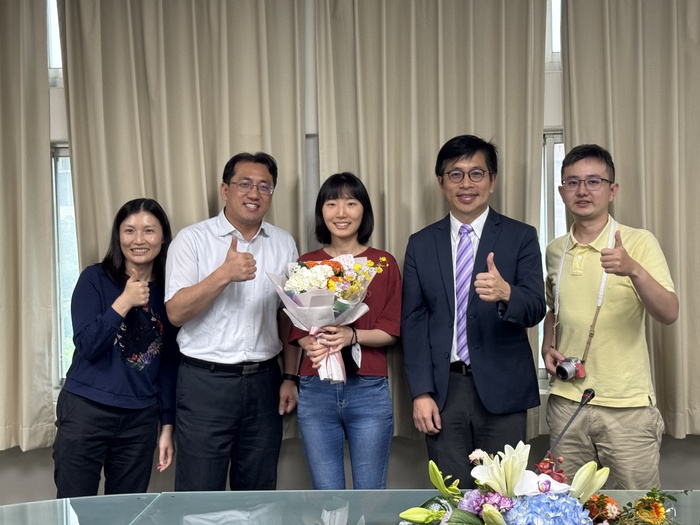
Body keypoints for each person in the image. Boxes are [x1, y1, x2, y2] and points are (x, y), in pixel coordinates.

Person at [401, 134, 545, 486]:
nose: (466, 184)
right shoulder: (421, 243)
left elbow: (536, 308)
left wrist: (507, 293)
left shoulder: (520, 236)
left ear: (492, 181)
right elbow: (414, 322)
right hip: (443, 391)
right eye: (455, 174)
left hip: (504, 390)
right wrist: (421, 393)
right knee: (454, 500)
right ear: (441, 182)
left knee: (502, 496)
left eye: (477, 174)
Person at [542, 144, 678, 489]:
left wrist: (633, 269)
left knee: (638, 510)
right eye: (572, 183)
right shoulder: (555, 249)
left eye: (593, 181)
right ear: (561, 192)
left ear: (612, 189)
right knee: (564, 506)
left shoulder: (638, 241)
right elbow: (552, 309)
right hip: (567, 402)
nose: (582, 191)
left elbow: (669, 312)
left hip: (627, 406)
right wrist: (547, 346)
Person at [165, 151, 299, 491]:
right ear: (225, 190)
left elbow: (290, 316)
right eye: (245, 184)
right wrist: (223, 274)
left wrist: (289, 375)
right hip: (204, 383)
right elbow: (175, 313)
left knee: (257, 492)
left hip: (264, 382)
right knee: (199, 492)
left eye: (264, 186)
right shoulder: (192, 239)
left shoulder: (284, 243)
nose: (254, 193)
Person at [53, 198, 178, 498]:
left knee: (125, 512)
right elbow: (87, 344)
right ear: (117, 236)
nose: (138, 240)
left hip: (139, 419)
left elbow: (169, 364)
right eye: (129, 231)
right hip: (86, 409)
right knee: (75, 507)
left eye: (149, 231)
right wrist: (124, 301)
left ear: (163, 237)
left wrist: (167, 424)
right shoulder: (94, 279)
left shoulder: (170, 292)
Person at [289, 172, 402, 489]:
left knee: (370, 494)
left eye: (351, 203)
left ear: (363, 210)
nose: (341, 212)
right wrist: (308, 342)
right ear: (321, 212)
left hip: (368, 388)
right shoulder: (306, 264)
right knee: (329, 498)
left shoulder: (383, 263)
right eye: (332, 203)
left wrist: (352, 336)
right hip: (316, 389)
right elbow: (293, 326)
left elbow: (392, 330)